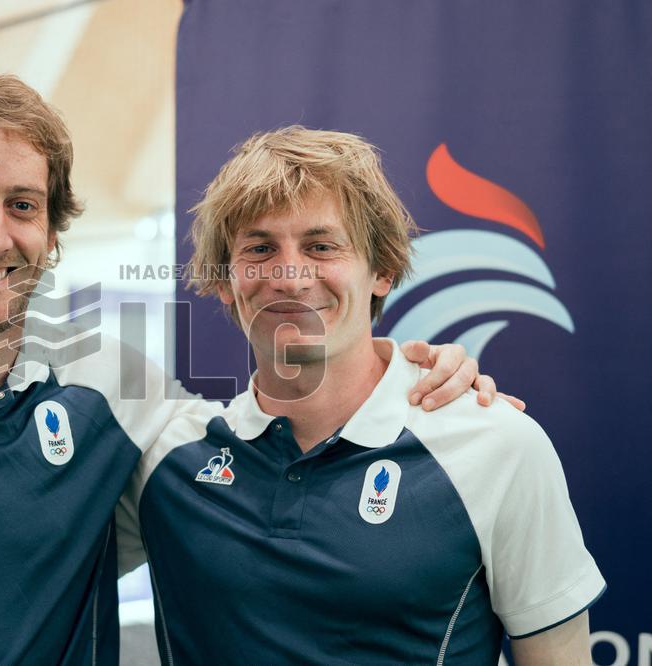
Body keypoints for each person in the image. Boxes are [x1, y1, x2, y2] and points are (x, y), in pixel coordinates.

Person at [0, 76, 490, 665]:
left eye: (22, 205)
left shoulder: (117, 393)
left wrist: (428, 382)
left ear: (50, 228)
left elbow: (287, 436)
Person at [113, 127, 604, 663]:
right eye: (259, 248)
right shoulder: (163, 458)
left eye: (321, 246)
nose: (290, 277)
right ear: (226, 281)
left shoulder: (497, 444)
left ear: (383, 269)